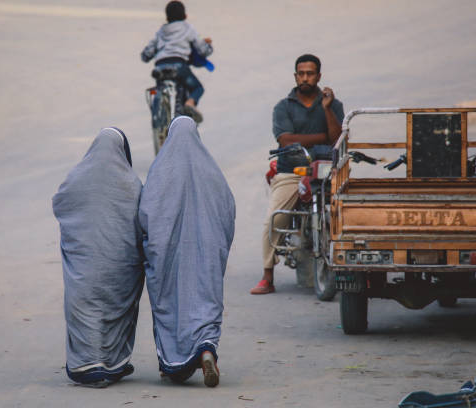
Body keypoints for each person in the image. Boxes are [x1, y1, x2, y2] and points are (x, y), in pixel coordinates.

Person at [139, 116, 235, 387]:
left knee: (170, 305)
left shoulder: (160, 171)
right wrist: (217, 246)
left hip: (169, 258)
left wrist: (152, 247)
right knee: (205, 301)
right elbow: (228, 212)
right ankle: (205, 349)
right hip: (206, 256)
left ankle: (174, 365)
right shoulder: (212, 172)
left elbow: (146, 214)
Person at [52, 128, 145, 387]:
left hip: (84, 262)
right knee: (115, 310)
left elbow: (60, 201)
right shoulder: (132, 183)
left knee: (87, 308)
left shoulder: (76, 178)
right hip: (119, 266)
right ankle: (112, 362)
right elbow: (143, 220)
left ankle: (88, 363)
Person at [250, 54, 344, 295]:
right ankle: (267, 275)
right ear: (295, 76)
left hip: (325, 170)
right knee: (274, 218)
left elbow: (337, 139)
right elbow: (285, 139)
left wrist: (326, 110)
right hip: (291, 171)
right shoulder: (283, 107)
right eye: (301, 73)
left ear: (318, 76)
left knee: (346, 212)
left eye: (310, 73)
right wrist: (322, 138)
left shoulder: (333, 105)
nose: (305, 78)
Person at [141, 1, 213, 123]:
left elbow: (146, 55)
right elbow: (203, 49)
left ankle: (160, 116)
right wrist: (208, 47)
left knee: (160, 89)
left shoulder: (161, 31)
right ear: (185, 16)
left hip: (160, 67)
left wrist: (148, 55)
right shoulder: (187, 28)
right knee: (198, 88)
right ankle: (190, 104)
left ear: (167, 17)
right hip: (179, 66)